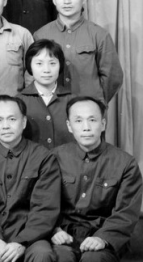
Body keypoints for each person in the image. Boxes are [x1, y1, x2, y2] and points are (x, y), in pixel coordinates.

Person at [0, 96, 61, 262]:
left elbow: (45, 208)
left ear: (23, 122)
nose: (5, 126)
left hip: (30, 235)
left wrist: (21, 241)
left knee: (42, 254)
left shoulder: (43, 157)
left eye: (12, 119)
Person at [52, 97, 143, 262]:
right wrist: (54, 230)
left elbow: (126, 212)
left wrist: (102, 238)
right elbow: (43, 202)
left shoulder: (125, 163)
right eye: (78, 121)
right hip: (63, 236)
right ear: (69, 126)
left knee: (94, 259)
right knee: (59, 257)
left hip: (104, 237)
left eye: (92, 120)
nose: (86, 127)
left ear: (103, 124)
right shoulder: (54, 158)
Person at [34, 0, 123, 104]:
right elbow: (33, 76)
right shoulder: (40, 35)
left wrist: (96, 103)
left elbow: (113, 77)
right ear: (54, 0)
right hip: (53, 109)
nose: (67, 1)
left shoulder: (99, 35)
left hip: (89, 109)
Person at [17, 39, 74, 149]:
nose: (46, 70)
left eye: (52, 63)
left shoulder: (73, 101)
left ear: (60, 65)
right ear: (29, 65)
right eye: (39, 63)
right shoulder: (18, 102)